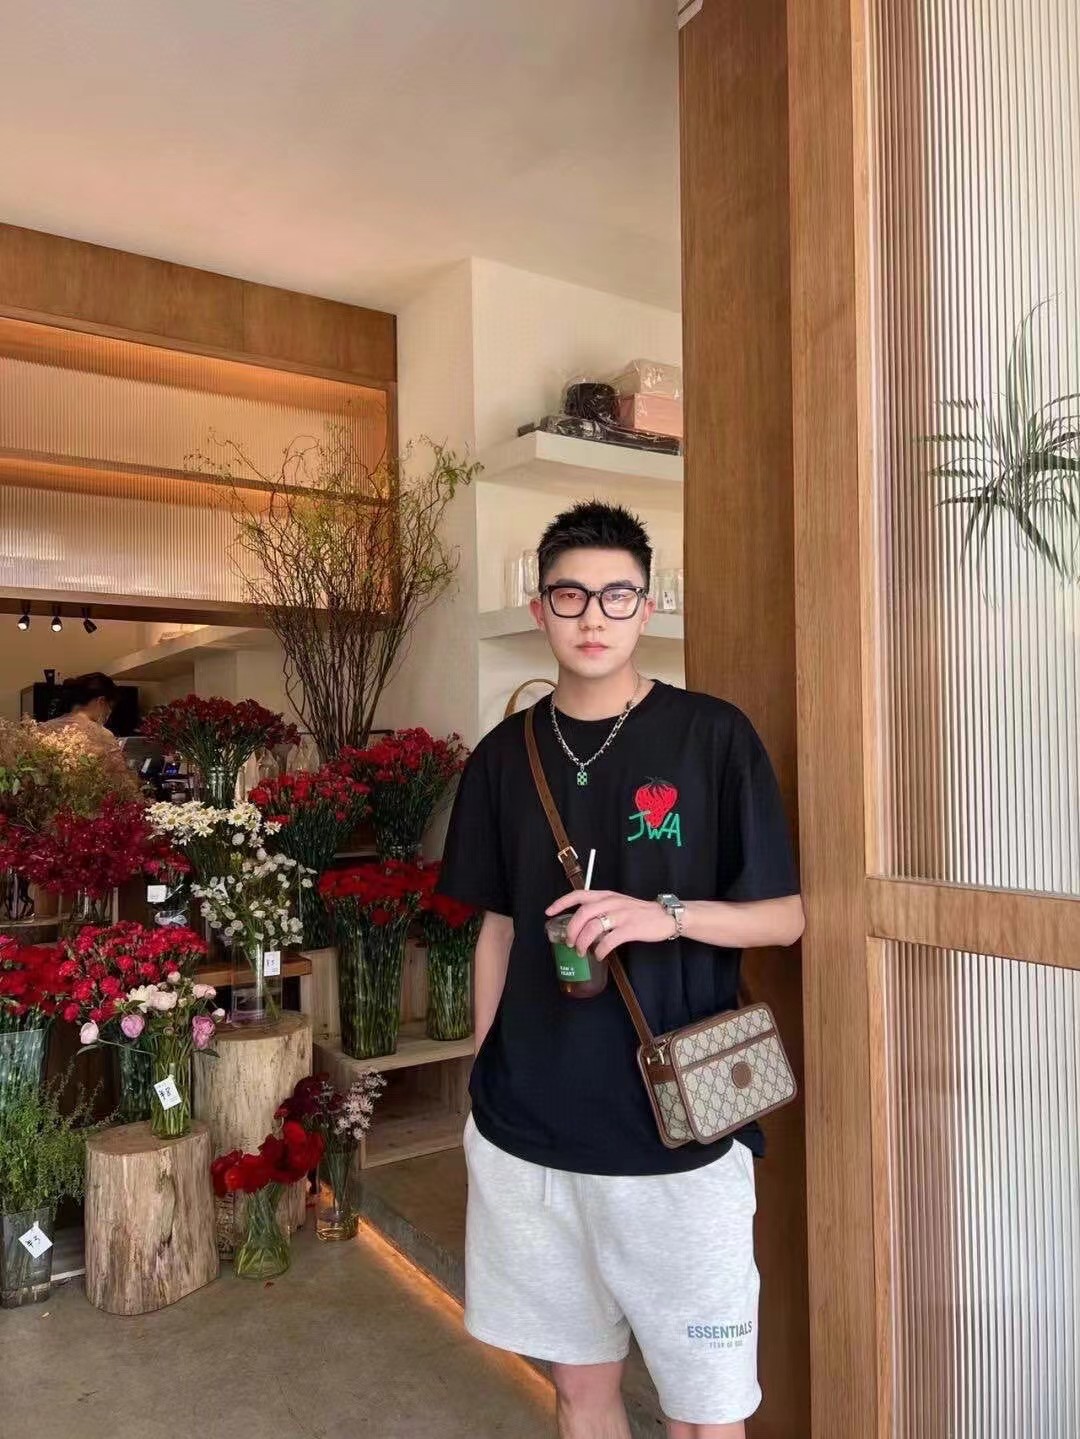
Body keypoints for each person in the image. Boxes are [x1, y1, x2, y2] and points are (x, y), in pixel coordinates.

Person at [437, 501, 805, 1439]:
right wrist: (482, 1088)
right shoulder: (502, 758)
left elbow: (785, 917)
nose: (592, 616)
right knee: (579, 1390)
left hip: (680, 1132)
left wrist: (661, 915)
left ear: (648, 606)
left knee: (707, 1410)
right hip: (531, 1132)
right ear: (540, 608)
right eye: (570, 595)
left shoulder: (713, 737)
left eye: (616, 595)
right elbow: (497, 933)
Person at [40, 672, 124, 759]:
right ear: (101, 701)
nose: (109, 712)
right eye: (110, 706)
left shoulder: (44, 728)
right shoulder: (103, 735)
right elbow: (117, 767)